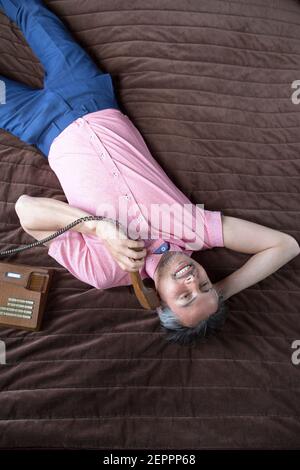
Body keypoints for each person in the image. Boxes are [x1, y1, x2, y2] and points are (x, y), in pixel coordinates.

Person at [1, 0, 299, 345]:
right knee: (33, 13)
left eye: (185, 295)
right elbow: (285, 245)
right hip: (89, 95)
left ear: (160, 299)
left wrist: (96, 227)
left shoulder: (103, 272)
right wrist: (221, 290)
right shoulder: (196, 230)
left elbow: (26, 209)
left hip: (40, 127)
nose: (192, 280)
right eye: (202, 284)